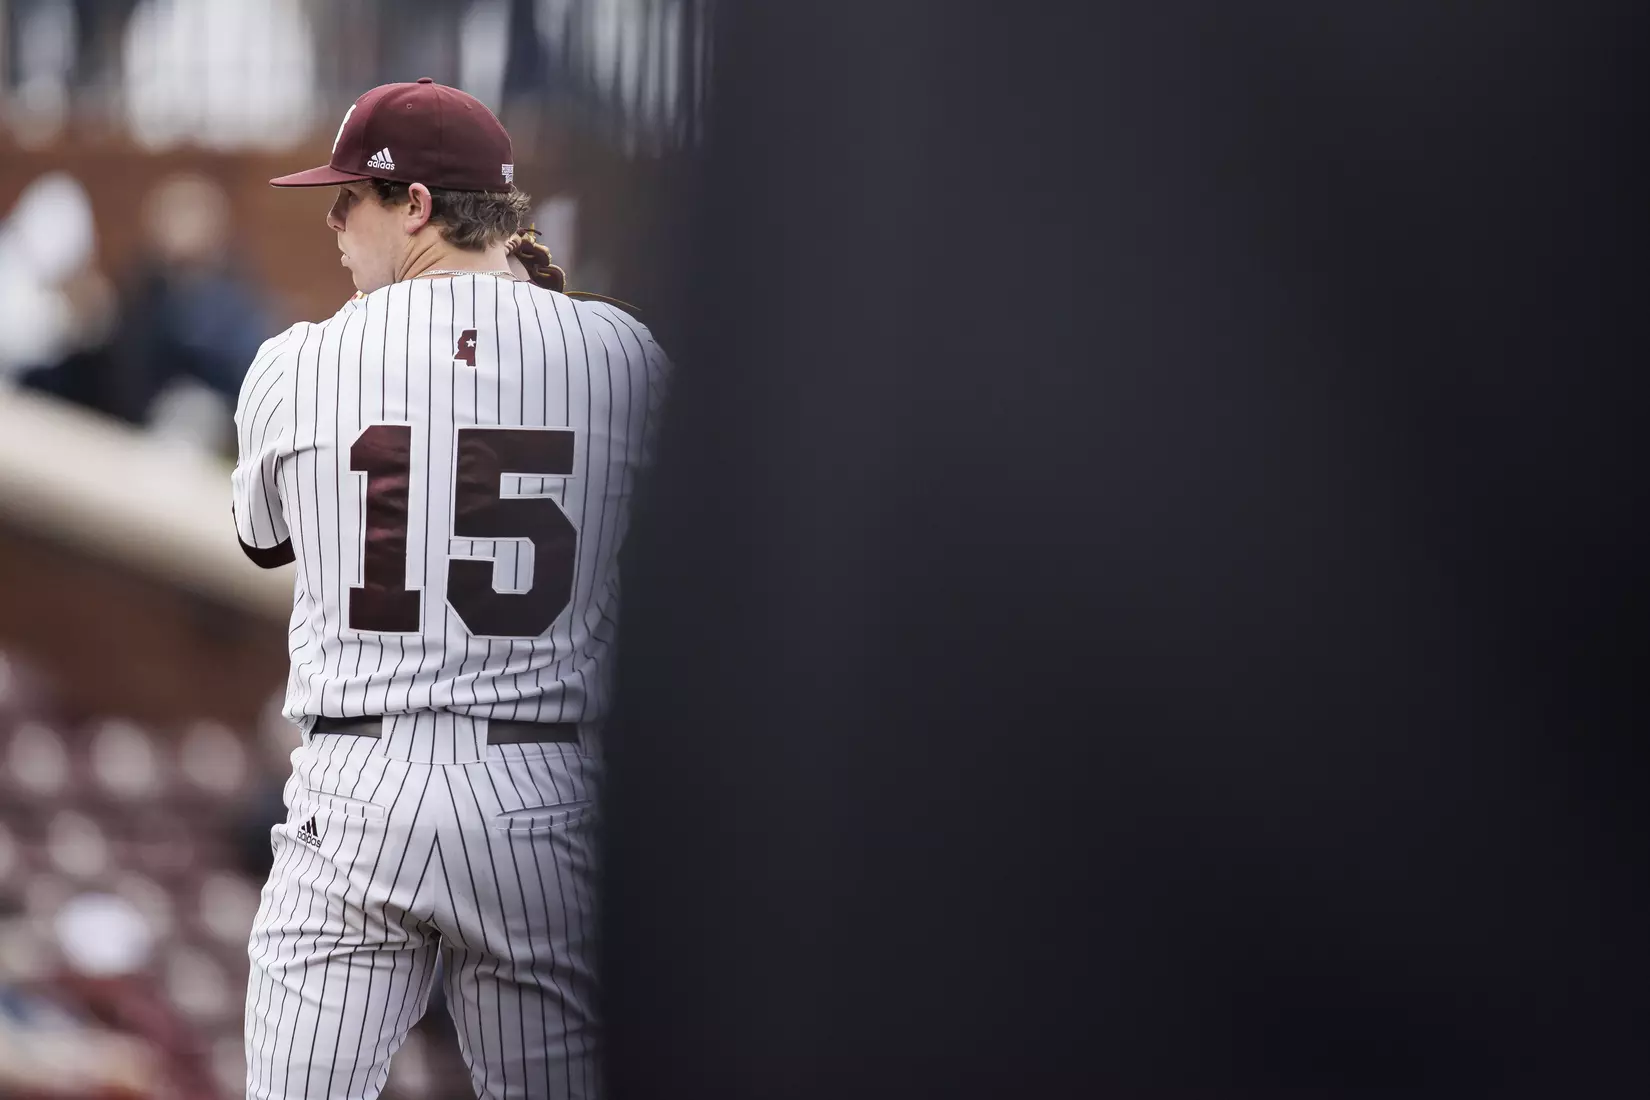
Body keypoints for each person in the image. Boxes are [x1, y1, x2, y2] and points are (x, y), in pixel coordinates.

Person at [231, 77, 670, 1100]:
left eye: (353, 195)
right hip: (543, 789)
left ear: (417, 205)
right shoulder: (620, 354)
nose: (335, 216)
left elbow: (261, 537)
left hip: (359, 788)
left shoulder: (300, 361)